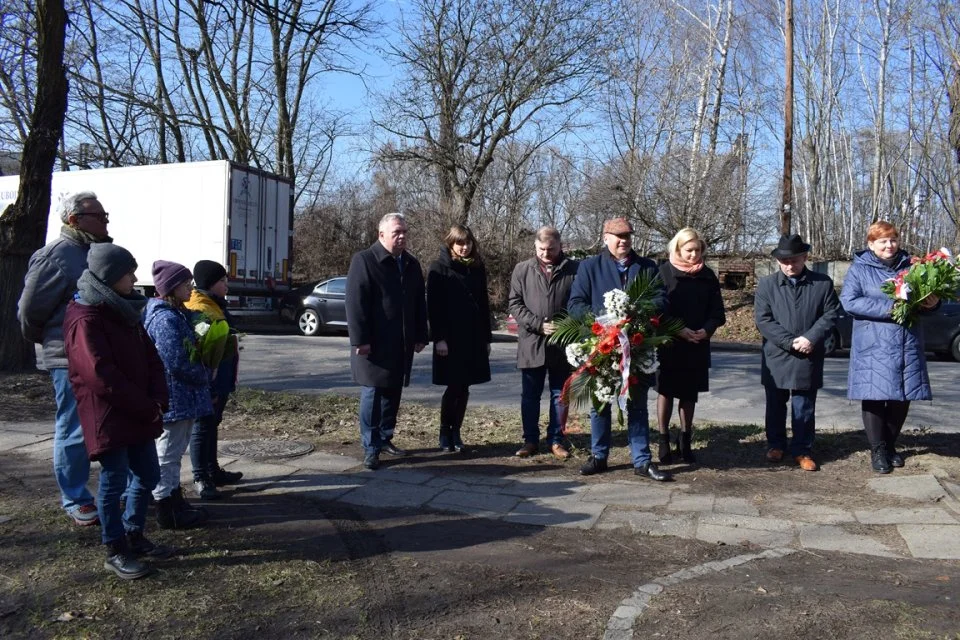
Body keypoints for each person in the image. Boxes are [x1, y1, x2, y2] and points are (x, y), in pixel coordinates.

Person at [63, 243, 173, 579]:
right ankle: (115, 547)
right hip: (110, 414)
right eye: (128, 273)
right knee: (113, 481)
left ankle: (134, 533)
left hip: (140, 411)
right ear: (110, 277)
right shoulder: (85, 318)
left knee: (148, 475)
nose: (135, 278)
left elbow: (152, 358)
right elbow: (100, 375)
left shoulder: (124, 310)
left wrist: (158, 398)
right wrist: (145, 405)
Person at [17, 192, 111, 526]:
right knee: (73, 428)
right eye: (99, 216)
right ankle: (75, 498)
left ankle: (115, 490)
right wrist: (54, 342)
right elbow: (29, 311)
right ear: (73, 219)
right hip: (68, 358)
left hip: (99, 354)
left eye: (105, 216)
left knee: (104, 425)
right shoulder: (56, 256)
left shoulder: (94, 252)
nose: (105, 222)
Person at [567, 217, 671, 481]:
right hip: (603, 345)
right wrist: (605, 318)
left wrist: (635, 314)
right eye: (618, 236)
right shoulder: (589, 267)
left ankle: (641, 460)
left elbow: (661, 300)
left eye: (627, 236)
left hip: (637, 345)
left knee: (636, 404)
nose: (623, 241)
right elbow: (576, 304)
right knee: (600, 402)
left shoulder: (646, 266)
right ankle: (599, 456)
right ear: (606, 237)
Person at [839, 222, 938, 474]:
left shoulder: (913, 266)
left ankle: (891, 445)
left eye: (893, 240)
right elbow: (849, 302)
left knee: (902, 395)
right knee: (874, 396)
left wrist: (932, 302)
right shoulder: (859, 270)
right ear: (871, 244)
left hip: (907, 341)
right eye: (882, 241)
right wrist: (888, 309)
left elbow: (925, 299)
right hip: (874, 343)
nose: (889, 245)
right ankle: (878, 449)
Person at [345, 213, 428, 470]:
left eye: (404, 232)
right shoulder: (365, 260)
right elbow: (355, 303)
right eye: (396, 233)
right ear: (382, 235)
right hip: (373, 343)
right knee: (373, 392)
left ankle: (385, 437)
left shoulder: (411, 264)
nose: (402, 237)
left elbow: (417, 302)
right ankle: (370, 447)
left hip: (400, 342)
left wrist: (421, 335)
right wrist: (360, 339)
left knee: (393, 391)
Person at [754, 233, 841, 471]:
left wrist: (810, 338)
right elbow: (763, 320)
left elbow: (831, 314)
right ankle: (775, 444)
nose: (789, 265)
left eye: (794, 260)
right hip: (777, 354)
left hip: (809, 353)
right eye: (784, 261)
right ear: (777, 261)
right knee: (775, 403)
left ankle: (802, 450)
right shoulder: (767, 284)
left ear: (804, 257)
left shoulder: (822, 283)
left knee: (804, 405)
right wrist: (790, 341)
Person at [143, 261, 212, 528]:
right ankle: (166, 507)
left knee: (173, 452)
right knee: (167, 454)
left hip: (182, 398)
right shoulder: (166, 319)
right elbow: (176, 362)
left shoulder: (177, 313)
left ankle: (173, 499)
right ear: (171, 287)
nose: (191, 288)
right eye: (186, 284)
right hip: (174, 398)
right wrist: (206, 373)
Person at [655, 228, 726, 465]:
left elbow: (717, 311)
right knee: (665, 391)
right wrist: (677, 330)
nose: (693, 255)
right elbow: (655, 310)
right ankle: (663, 441)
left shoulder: (707, 275)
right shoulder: (663, 273)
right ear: (677, 249)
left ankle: (685, 440)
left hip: (697, 342)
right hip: (670, 343)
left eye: (697, 250)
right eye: (688, 250)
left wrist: (706, 330)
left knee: (689, 395)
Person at [507, 226, 578, 460]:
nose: (546, 253)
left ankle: (556, 440)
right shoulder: (522, 269)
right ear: (535, 246)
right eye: (541, 249)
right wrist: (538, 324)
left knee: (560, 395)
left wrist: (567, 326)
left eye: (551, 249)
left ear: (561, 247)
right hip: (532, 342)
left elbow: (580, 303)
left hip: (562, 344)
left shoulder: (574, 270)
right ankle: (530, 440)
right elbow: (515, 304)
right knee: (530, 395)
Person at [427, 224, 492, 453]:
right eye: (459, 243)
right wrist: (439, 339)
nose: (464, 247)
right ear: (451, 244)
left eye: (467, 243)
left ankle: (457, 431)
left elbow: (484, 304)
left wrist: (487, 338)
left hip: (472, 337)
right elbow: (433, 307)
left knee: (465, 387)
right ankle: (445, 431)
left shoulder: (477, 267)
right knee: (453, 386)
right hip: (450, 339)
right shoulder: (439, 268)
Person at [184, 260, 244, 495]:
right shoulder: (200, 308)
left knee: (212, 424)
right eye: (222, 281)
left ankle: (213, 469)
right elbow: (198, 344)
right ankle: (201, 478)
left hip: (221, 376)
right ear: (209, 284)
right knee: (202, 426)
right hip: (209, 379)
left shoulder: (214, 303)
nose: (226, 286)